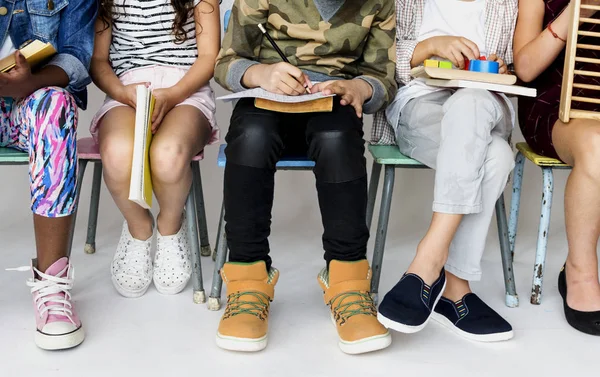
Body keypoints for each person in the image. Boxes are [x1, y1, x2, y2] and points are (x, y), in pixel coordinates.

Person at [213, 0, 397, 354]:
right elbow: (226, 62)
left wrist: (361, 89)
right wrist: (261, 74)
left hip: (334, 100)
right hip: (266, 97)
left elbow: (383, 77)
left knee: (336, 139)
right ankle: (247, 280)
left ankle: (348, 281)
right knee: (252, 138)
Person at [372, 0, 517, 342]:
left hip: (484, 105)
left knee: (472, 100)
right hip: (420, 104)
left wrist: (498, 64)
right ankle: (455, 289)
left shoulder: (506, 3)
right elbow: (379, 56)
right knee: (496, 157)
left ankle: (427, 260)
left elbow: (511, 65)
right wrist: (429, 48)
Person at [90, 0, 219, 298]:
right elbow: (99, 61)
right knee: (118, 153)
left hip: (186, 90)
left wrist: (173, 95)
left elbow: (209, 57)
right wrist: (122, 92)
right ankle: (139, 230)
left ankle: (170, 228)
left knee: (168, 155)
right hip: (128, 91)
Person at [1, 0, 97, 350]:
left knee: (55, 106)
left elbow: (75, 55)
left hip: (29, 101)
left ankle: (52, 284)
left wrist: (29, 84)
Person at [514, 0, 600, 336]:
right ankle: (579, 272)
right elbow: (525, 67)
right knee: (596, 143)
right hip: (554, 109)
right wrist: (579, 9)